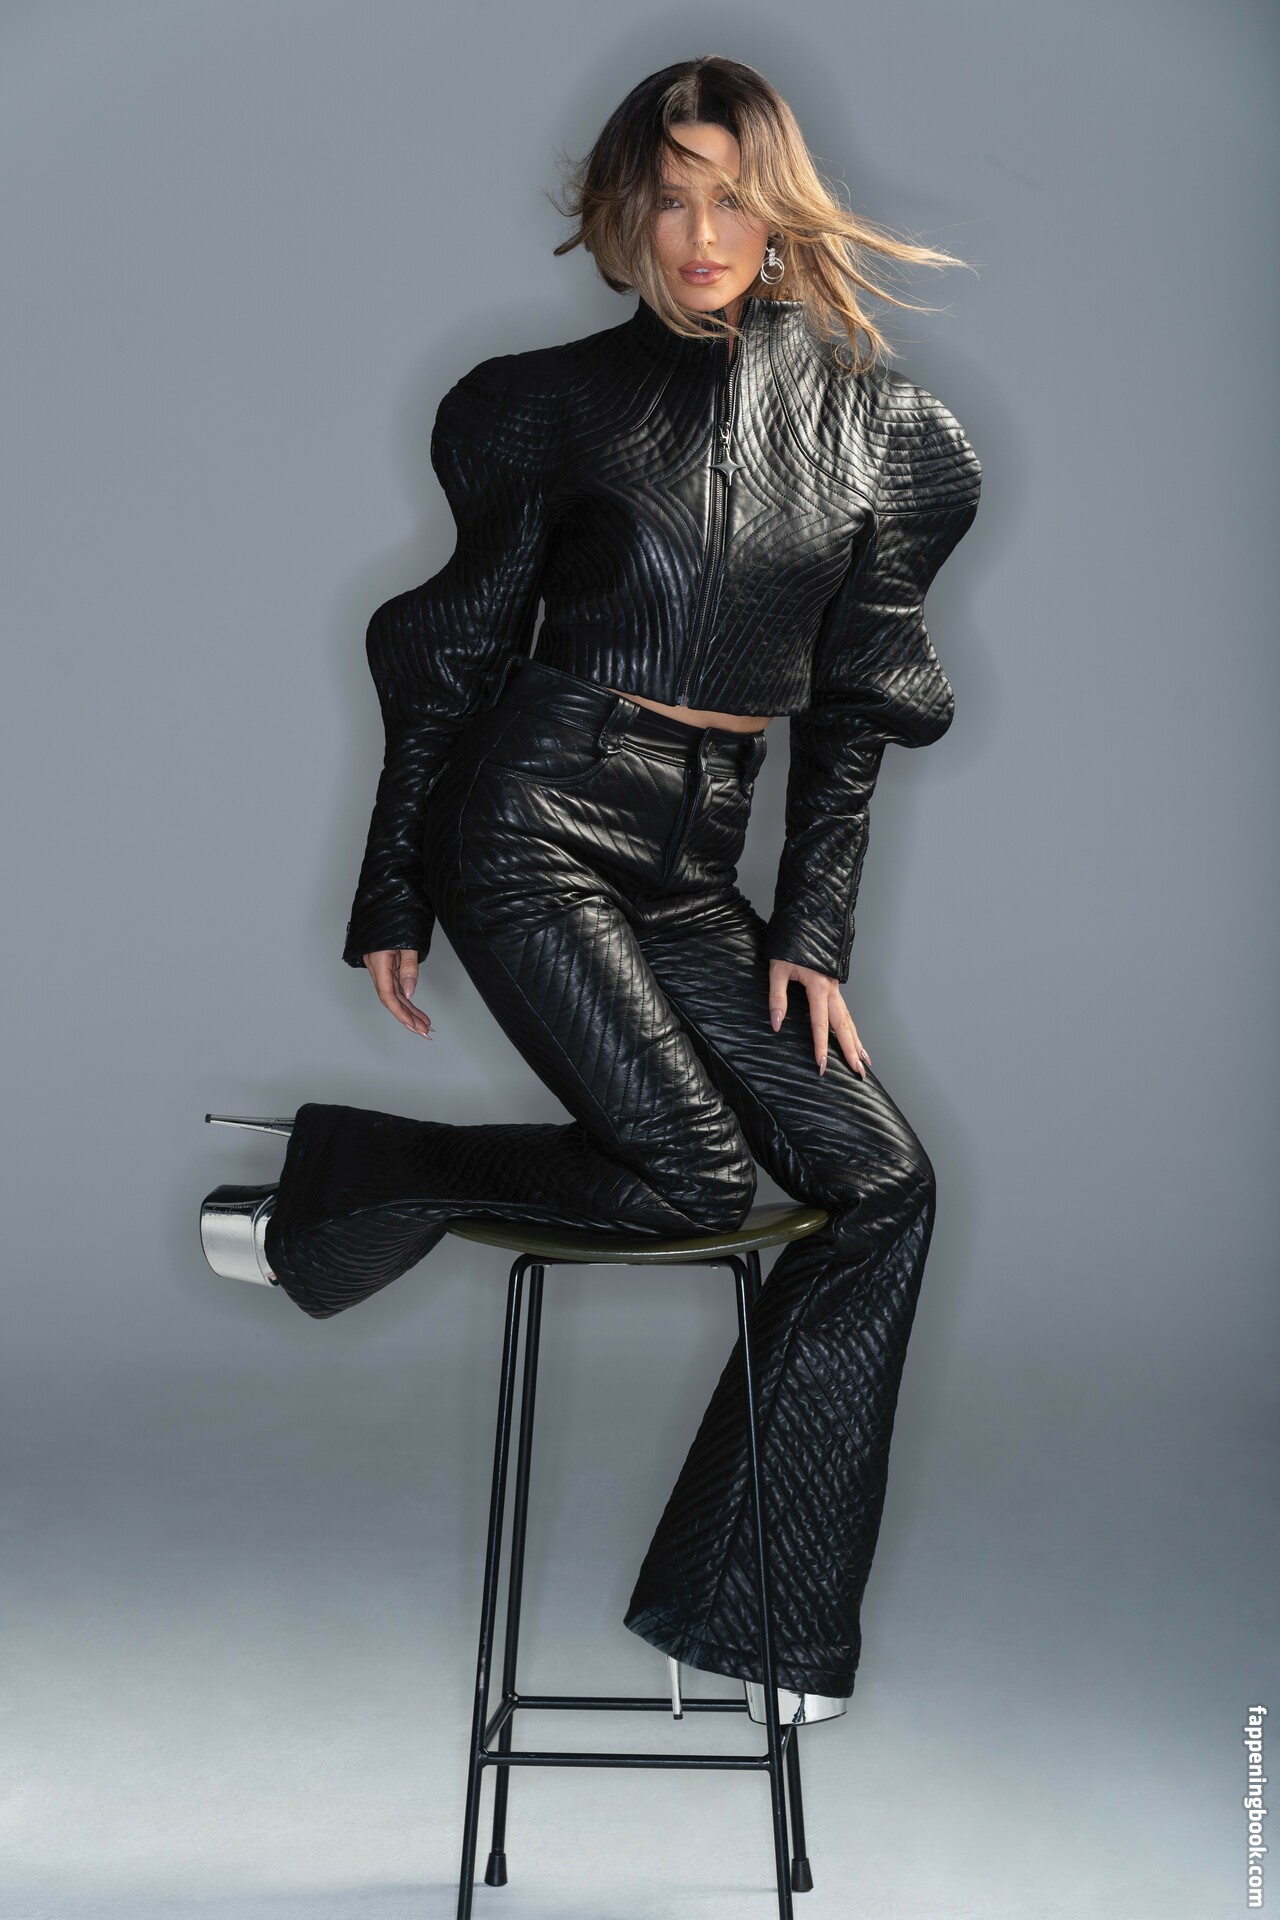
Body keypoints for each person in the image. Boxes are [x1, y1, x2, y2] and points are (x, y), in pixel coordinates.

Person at [200, 54, 982, 1728]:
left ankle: (749, 1610)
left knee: (883, 1185)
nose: (700, 235)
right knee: (697, 1175)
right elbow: (455, 656)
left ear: (780, 210)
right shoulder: (543, 406)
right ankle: (343, 1188)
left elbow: (857, 712)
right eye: (667, 198)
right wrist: (393, 883)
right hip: (536, 819)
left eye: (729, 197)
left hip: (697, 868)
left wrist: (814, 928)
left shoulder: (886, 433)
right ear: (622, 216)